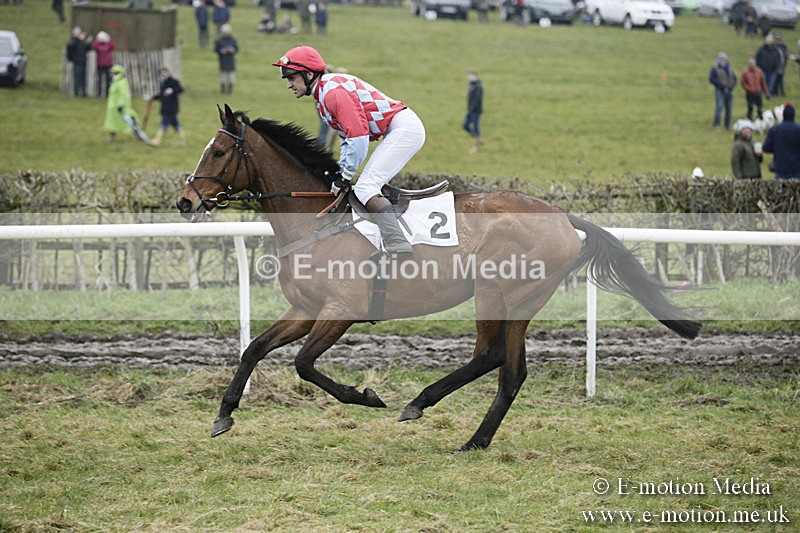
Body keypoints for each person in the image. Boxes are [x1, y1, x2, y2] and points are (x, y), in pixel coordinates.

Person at [273, 45, 426, 254]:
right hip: (397, 128)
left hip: (404, 129)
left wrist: (346, 175)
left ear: (308, 74)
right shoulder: (322, 94)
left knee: (365, 187)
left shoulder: (332, 93)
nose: (289, 85)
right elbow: (347, 139)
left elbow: (358, 137)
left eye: (292, 78)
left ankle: (397, 243)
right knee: (363, 185)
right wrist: (342, 171)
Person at [148, 67, 185, 147]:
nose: (164, 74)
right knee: (176, 124)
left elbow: (180, 89)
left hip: (171, 109)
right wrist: (154, 97)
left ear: (168, 73)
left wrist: (172, 90)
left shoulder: (174, 82)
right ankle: (182, 140)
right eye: (162, 73)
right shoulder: (163, 83)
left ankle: (157, 140)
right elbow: (162, 95)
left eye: (165, 72)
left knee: (164, 124)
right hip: (165, 108)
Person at [763, 103, 800, 179]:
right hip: (797, 168)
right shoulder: (798, 129)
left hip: (780, 168)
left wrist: (777, 148)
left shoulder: (775, 129)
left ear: (783, 115)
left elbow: (766, 147)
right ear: (794, 114)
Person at [104, 65, 140, 142]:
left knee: (129, 120)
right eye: (113, 73)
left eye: (116, 73)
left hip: (120, 107)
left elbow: (124, 94)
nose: (114, 75)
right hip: (113, 107)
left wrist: (121, 103)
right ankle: (111, 137)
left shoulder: (122, 83)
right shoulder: (114, 82)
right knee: (112, 122)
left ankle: (138, 134)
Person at [709, 52, 736, 131]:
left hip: (729, 91)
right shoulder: (715, 69)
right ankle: (716, 124)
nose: (723, 61)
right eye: (721, 59)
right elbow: (711, 79)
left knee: (729, 108)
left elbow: (734, 78)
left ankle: (727, 125)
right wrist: (721, 86)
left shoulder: (730, 69)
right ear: (718, 60)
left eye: (725, 59)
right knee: (719, 107)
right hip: (720, 91)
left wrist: (732, 86)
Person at [66, 27, 92, 98]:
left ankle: (83, 92)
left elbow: (88, 48)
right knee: (77, 77)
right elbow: (70, 46)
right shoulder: (73, 41)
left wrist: (88, 42)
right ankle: (76, 93)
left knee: (84, 78)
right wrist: (78, 38)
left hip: (83, 61)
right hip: (77, 61)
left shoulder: (81, 42)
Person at [741, 55, 768, 120]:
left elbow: (763, 82)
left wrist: (766, 92)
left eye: (753, 63)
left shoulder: (759, 71)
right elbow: (743, 83)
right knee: (750, 108)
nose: (752, 64)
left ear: (755, 63)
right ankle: (749, 121)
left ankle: (761, 122)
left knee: (760, 108)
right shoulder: (745, 72)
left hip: (758, 93)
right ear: (748, 63)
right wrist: (748, 89)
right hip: (750, 94)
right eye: (750, 63)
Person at [463, 70, 484, 153]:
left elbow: (477, 100)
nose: (469, 77)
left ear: (475, 76)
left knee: (476, 127)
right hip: (470, 111)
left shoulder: (478, 86)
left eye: (471, 76)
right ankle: (478, 139)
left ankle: (477, 146)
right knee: (465, 126)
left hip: (475, 111)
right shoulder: (471, 85)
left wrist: (473, 110)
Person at [214, 24, 238, 94]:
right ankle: (223, 90)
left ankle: (230, 90)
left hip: (231, 60)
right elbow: (216, 49)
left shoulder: (233, 40)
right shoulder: (219, 40)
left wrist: (233, 50)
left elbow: (236, 48)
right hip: (223, 60)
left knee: (231, 76)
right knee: (223, 76)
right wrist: (221, 51)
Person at [92, 31, 116, 98]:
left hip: (108, 64)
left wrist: (109, 39)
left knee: (108, 79)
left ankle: (107, 93)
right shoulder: (98, 45)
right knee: (99, 79)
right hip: (100, 64)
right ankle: (99, 93)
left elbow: (113, 46)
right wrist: (98, 40)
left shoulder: (108, 45)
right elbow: (94, 47)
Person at [773, 31, 788, 97]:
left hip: (782, 66)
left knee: (781, 80)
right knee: (775, 80)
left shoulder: (784, 46)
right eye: (777, 38)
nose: (778, 40)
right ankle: (776, 93)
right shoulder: (773, 47)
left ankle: (782, 92)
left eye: (779, 39)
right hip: (775, 66)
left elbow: (785, 55)